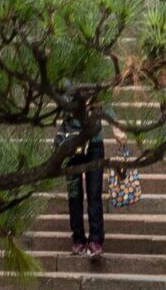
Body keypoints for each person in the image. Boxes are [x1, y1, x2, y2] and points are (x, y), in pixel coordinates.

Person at [58, 92, 106, 260]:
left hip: (94, 142)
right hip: (72, 140)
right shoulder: (65, 82)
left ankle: (95, 239)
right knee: (74, 193)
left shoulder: (97, 81)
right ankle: (78, 238)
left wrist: (117, 128)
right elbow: (62, 107)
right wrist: (80, 105)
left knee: (94, 192)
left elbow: (105, 101)